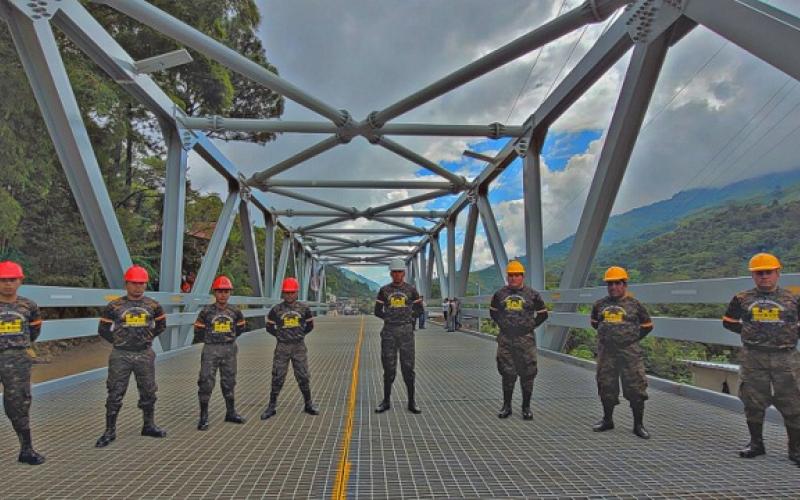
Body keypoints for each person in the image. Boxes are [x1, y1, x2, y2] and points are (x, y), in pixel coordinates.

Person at [722, 253, 800, 463]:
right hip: (753, 357)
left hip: (786, 357)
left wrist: (787, 335)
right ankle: (756, 444)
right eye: (759, 273)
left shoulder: (793, 298)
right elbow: (728, 321)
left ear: (777, 273)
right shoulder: (742, 298)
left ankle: (795, 449)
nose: (764, 276)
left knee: (793, 401)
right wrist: (751, 334)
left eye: (768, 272)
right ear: (753, 275)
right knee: (752, 400)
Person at [95, 265, 167, 448]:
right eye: (134, 283)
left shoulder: (153, 306)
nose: (138, 287)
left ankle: (148, 425)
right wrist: (120, 341)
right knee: (115, 392)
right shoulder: (114, 306)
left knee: (149, 391)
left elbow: (161, 326)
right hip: (121, 355)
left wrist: (146, 339)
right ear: (126, 284)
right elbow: (103, 329)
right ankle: (109, 431)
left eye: (141, 283)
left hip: (144, 354)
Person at [590, 266, 654, 439]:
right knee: (606, 385)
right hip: (606, 353)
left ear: (624, 284)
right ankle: (607, 420)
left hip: (629, 353)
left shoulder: (635, 305)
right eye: (610, 284)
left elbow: (647, 325)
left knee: (636, 387)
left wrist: (630, 339)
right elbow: (595, 323)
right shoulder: (600, 305)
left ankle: (638, 425)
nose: (613, 287)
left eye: (617, 283)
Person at [489, 260, 548, 420]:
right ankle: (506, 406)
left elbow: (543, 314)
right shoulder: (499, 294)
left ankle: (526, 407)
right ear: (507, 277)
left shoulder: (533, 295)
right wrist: (503, 324)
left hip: (525, 340)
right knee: (507, 372)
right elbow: (493, 312)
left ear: (522, 276)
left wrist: (529, 326)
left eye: (517, 275)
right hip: (506, 339)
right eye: (511, 275)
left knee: (528, 372)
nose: (513, 278)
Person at [0, 261, 45, 464]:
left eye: (12, 280)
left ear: (20, 281)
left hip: (17, 361)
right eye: (3, 280)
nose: (8, 284)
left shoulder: (29, 306)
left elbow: (34, 331)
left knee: (18, 404)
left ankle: (26, 450)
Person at [193, 275, 247, 430]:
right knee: (205, 381)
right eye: (219, 291)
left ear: (230, 293)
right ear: (214, 293)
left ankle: (231, 412)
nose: (223, 294)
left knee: (229, 381)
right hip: (211, 350)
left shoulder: (235, 311)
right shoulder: (206, 312)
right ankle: (203, 417)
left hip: (229, 349)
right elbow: (198, 330)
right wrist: (211, 340)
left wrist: (228, 339)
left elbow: (241, 328)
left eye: (226, 291)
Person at [261, 277, 318, 420]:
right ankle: (271, 406)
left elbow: (310, 326)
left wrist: (299, 335)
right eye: (287, 292)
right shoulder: (276, 310)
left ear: (297, 293)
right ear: (283, 293)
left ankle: (308, 404)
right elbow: (269, 327)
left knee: (303, 375)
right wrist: (280, 336)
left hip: (299, 346)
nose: (289, 295)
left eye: (292, 292)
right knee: (278, 375)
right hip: (282, 347)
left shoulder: (304, 309)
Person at [374, 259, 423, 414]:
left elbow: (420, 310)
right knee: (389, 369)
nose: (397, 274)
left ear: (404, 273)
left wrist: (408, 318)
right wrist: (389, 318)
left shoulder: (411, 290)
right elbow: (377, 311)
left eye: (399, 272)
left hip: (406, 333)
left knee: (408, 368)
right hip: (389, 332)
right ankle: (386, 401)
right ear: (391, 273)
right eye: (394, 272)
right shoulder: (384, 290)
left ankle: (412, 402)